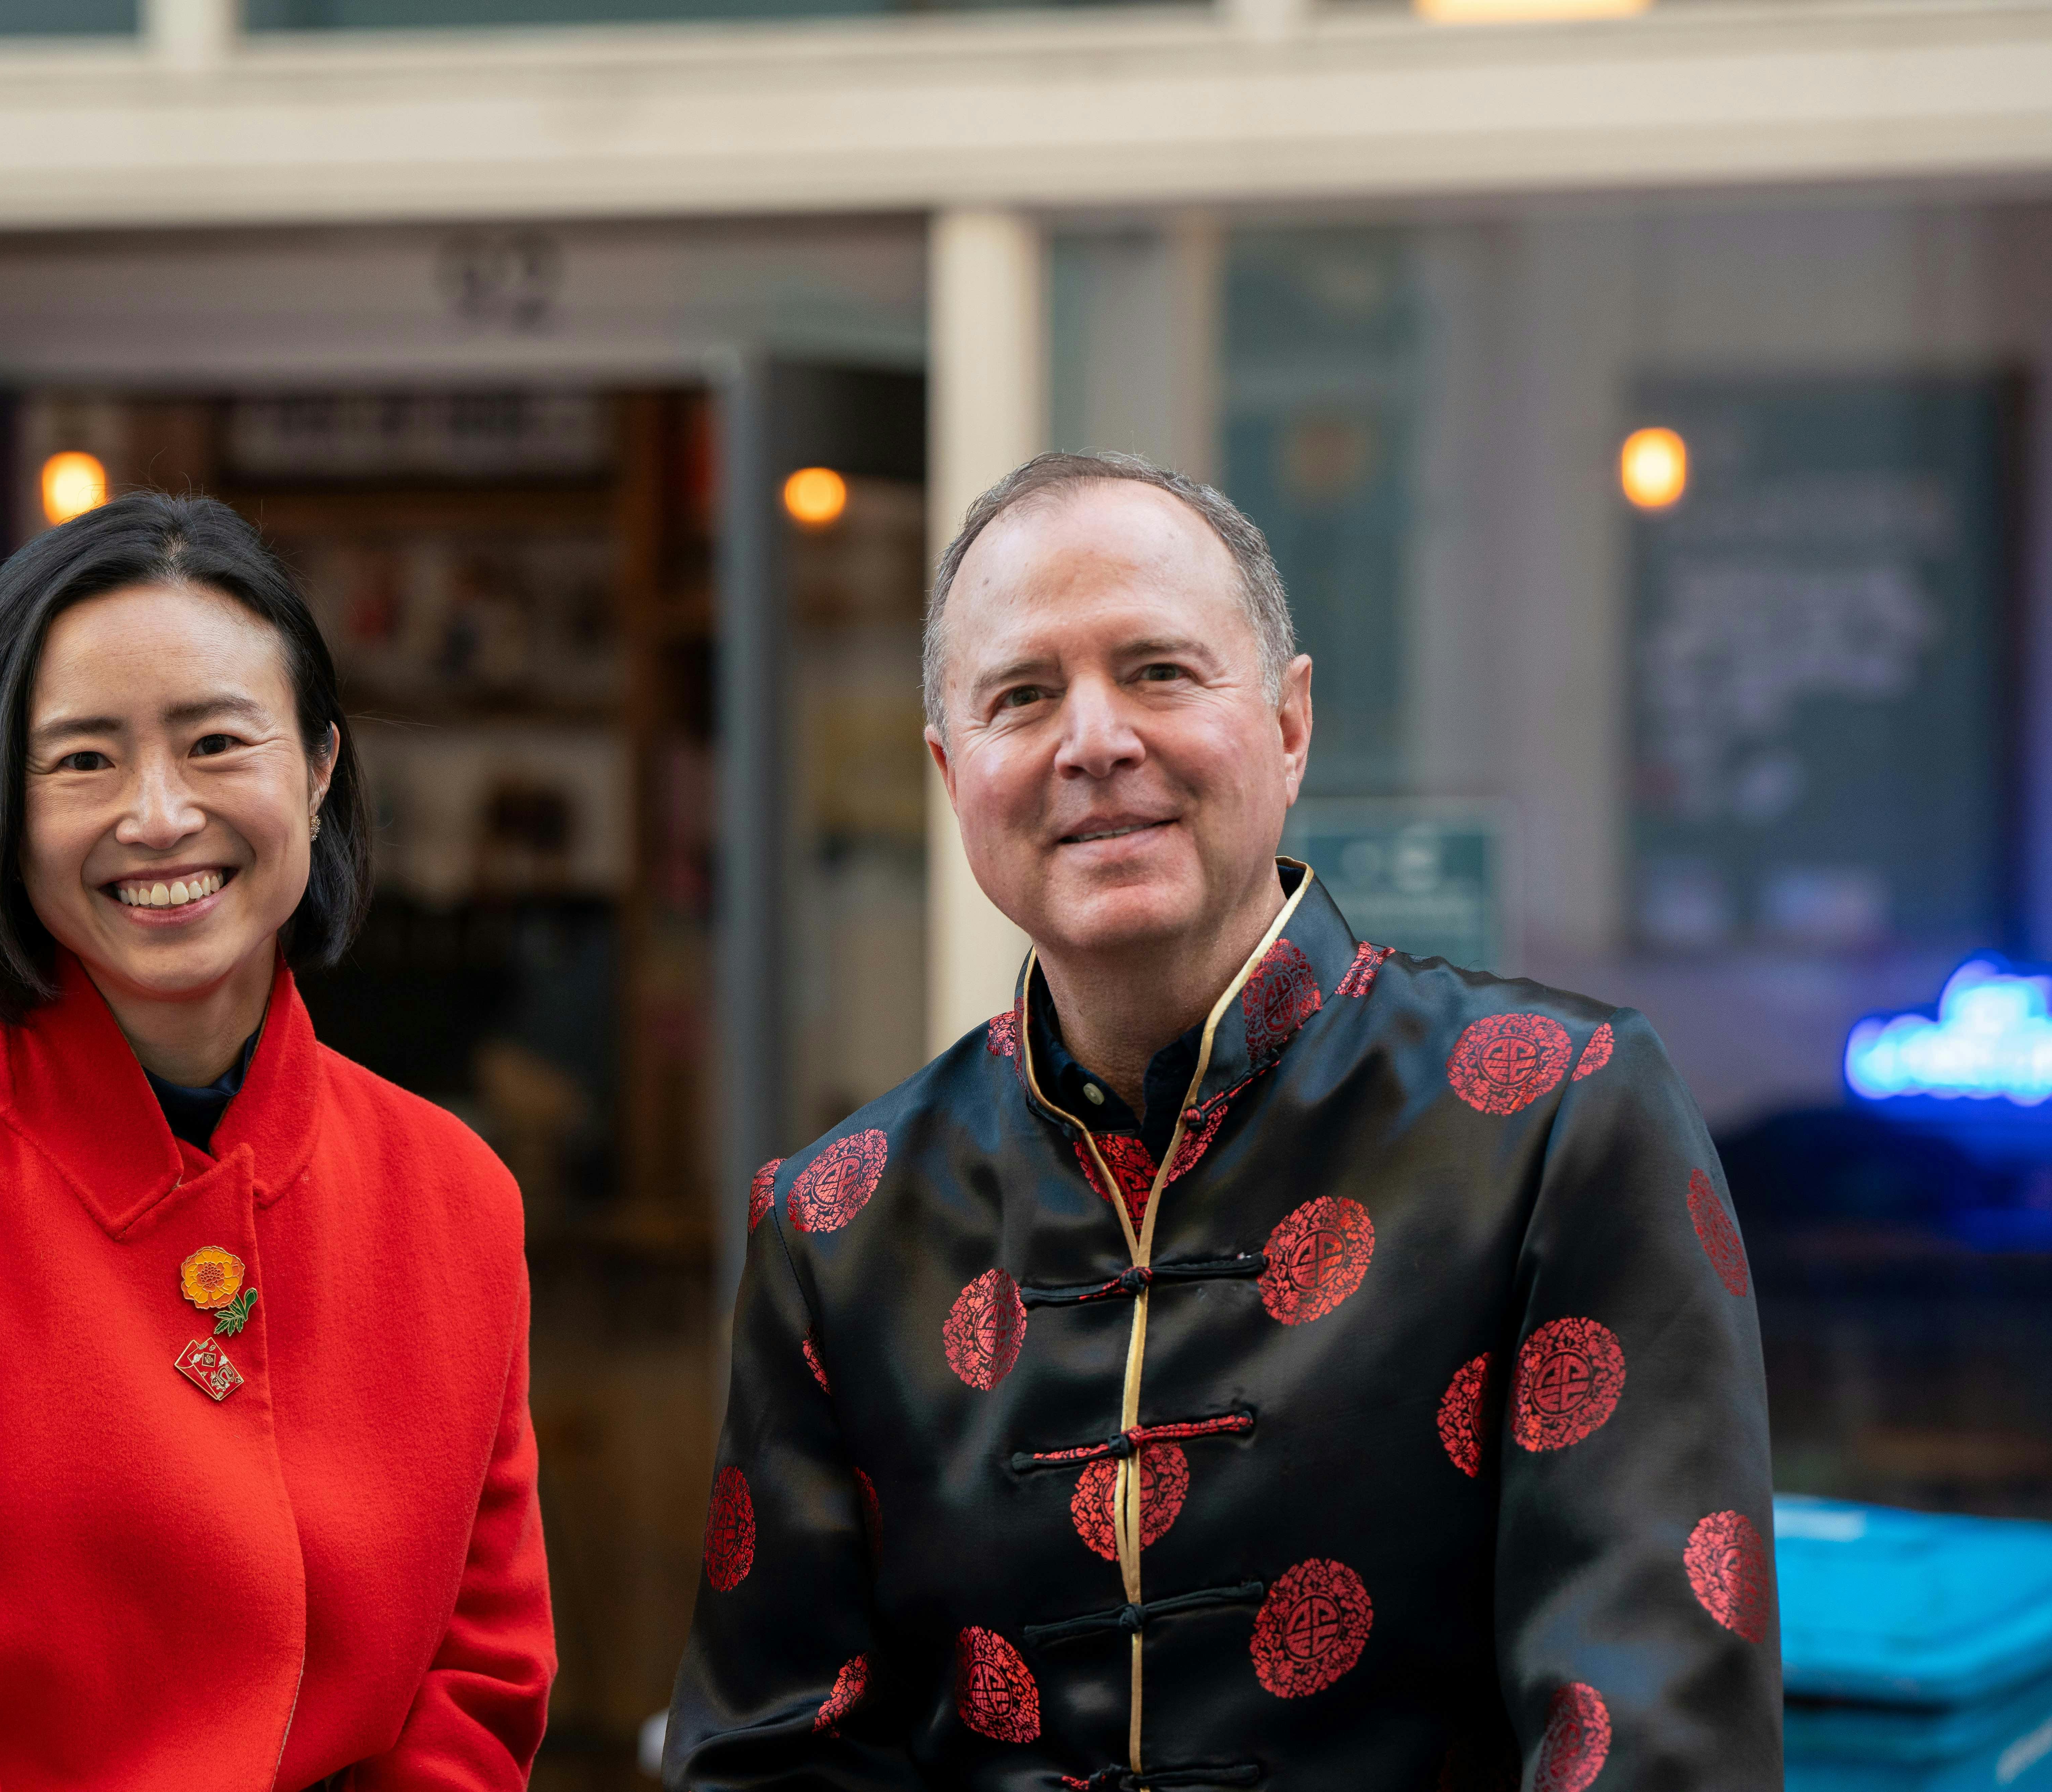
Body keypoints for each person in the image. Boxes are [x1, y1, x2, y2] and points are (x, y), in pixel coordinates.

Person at [667, 452, 1778, 1789]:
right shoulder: (837, 1219)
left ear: (1290, 724)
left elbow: (1647, 1735)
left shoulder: (1556, 1114)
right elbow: (769, 1754)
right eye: (1022, 696)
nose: (1091, 742)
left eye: (1157, 672)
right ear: (949, 770)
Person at [0, 493, 554, 1792]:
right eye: (83, 761)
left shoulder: (452, 1198)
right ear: (4, 815)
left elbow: (481, 1682)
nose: (158, 816)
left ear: (317, 769)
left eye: (215, 743)